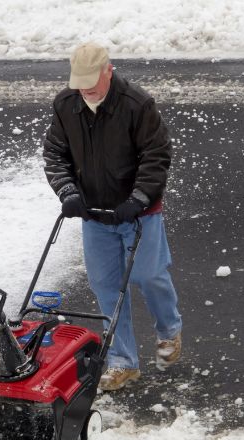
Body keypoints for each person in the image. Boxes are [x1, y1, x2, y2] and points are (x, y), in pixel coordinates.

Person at [42, 42, 182, 391]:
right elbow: (55, 154)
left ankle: (169, 331)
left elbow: (156, 155)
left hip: (139, 213)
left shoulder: (137, 104)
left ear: (109, 69)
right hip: (95, 215)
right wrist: (69, 193)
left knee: (150, 276)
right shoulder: (66, 104)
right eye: (80, 81)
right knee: (106, 288)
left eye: (92, 79)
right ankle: (123, 362)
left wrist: (138, 198)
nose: (86, 88)